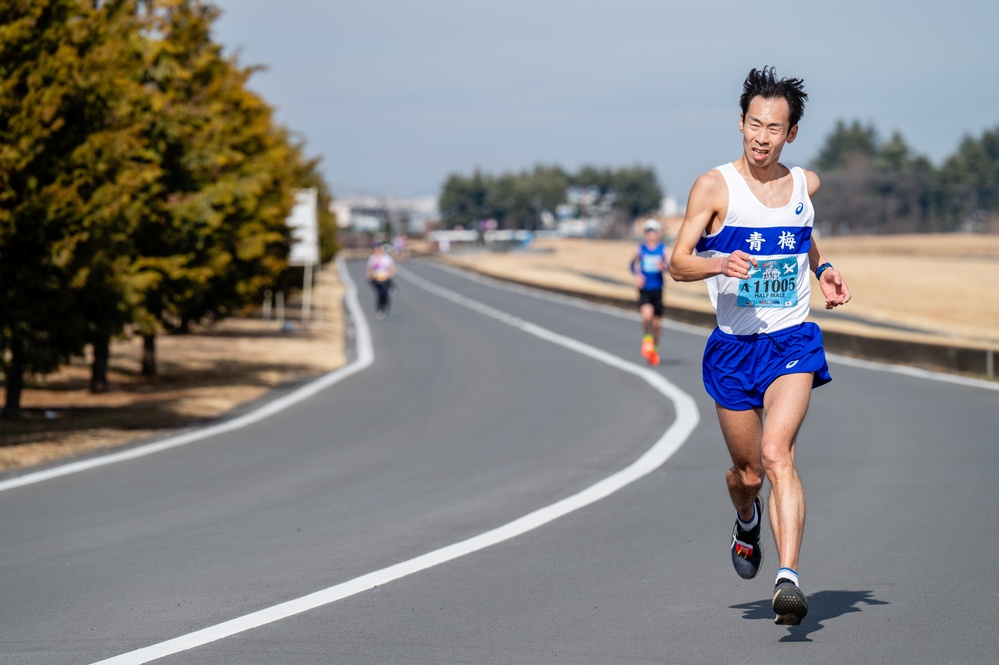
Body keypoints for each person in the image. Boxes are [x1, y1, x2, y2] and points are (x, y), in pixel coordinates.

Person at [669, 66, 851, 626]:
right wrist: (717, 261)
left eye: (774, 127)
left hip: (791, 341)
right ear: (741, 123)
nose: (762, 137)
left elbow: (801, 233)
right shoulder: (714, 186)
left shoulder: (805, 185)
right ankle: (746, 519)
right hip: (733, 348)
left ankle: (789, 578)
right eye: (754, 124)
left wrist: (822, 268)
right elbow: (677, 263)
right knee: (747, 474)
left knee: (778, 455)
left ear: (791, 133)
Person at [629, 219, 670, 366]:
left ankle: (655, 349)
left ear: (658, 233)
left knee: (657, 324)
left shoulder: (663, 249)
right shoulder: (640, 249)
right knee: (647, 317)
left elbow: (670, 267)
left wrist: (664, 266)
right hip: (645, 289)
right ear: (645, 234)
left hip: (657, 289)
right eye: (648, 231)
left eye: (654, 231)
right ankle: (647, 339)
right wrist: (637, 275)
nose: (651, 234)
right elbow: (631, 265)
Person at [365, 243, 397, 319]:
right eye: (376, 249)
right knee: (379, 294)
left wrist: (389, 275)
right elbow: (369, 269)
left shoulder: (387, 258)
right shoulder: (372, 258)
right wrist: (370, 276)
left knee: (385, 295)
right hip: (376, 280)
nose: (377, 250)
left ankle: (386, 306)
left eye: (379, 248)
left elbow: (392, 268)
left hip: (386, 279)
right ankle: (380, 309)